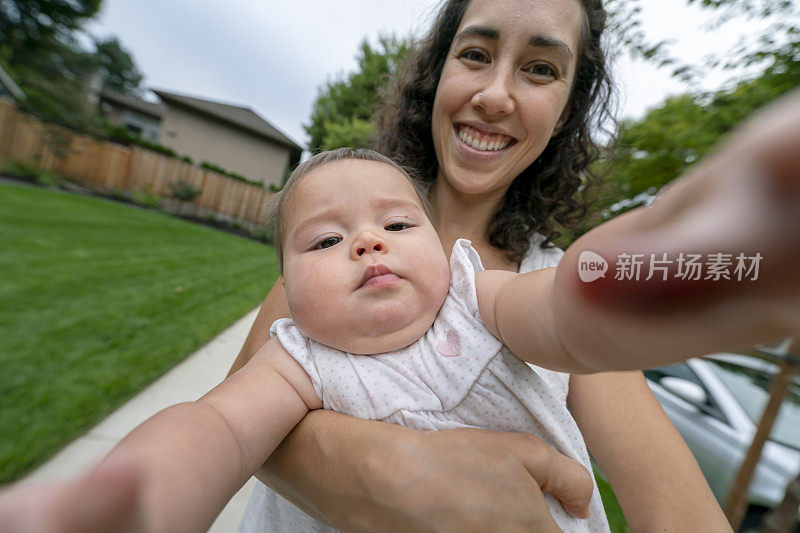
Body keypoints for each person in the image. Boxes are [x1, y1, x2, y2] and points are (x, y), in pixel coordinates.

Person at [1, 142, 796, 532]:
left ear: (437, 243)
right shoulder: (300, 357)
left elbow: (557, 314)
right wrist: (128, 495)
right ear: (285, 285)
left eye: (394, 222)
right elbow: (215, 427)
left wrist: (653, 273)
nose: (367, 243)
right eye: (323, 241)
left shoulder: (472, 294)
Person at [229, 0, 798, 531]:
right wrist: (390, 469)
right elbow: (235, 416)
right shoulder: (345, 253)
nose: (496, 96)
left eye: (541, 69)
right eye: (475, 55)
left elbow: (682, 513)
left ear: (566, 110)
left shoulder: (551, 288)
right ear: (437, 73)